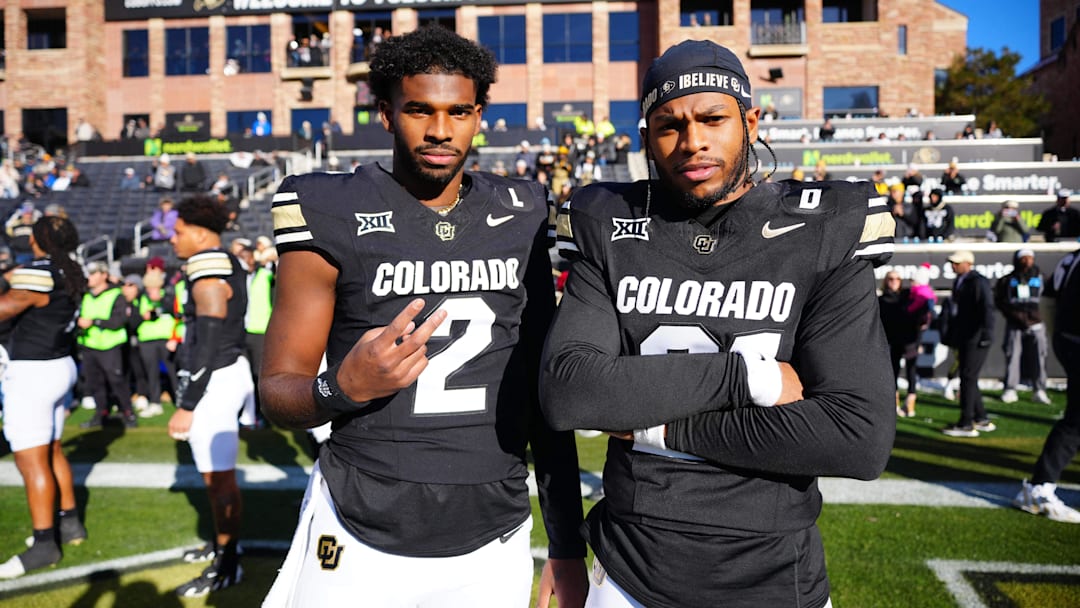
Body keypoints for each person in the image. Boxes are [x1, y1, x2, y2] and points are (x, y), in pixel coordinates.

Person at [540, 39, 896, 607]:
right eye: (669, 126)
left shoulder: (826, 225)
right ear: (646, 138)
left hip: (777, 574)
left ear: (750, 121)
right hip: (631, 569)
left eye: (713, 118)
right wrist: (746, 380)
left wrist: (659, 431)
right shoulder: (606, 220)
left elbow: (858, 437)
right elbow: (570, 392)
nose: (693, 142)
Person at [259, 26, 587, 607]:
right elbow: (278, 392)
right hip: (362, 515)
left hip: (492, 526)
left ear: (479, 114)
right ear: (385, 114)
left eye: (459, 111)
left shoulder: (524, 211)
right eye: (419, 110)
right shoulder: (328, 206)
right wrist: (343, 387)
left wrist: (565, 544)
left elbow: (545, 398)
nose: (440, 130)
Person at [167, 194, 255, 597]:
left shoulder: (209, 263)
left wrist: (188, 403)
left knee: (218, 478)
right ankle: (222, 544)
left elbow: (210, 336)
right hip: (221, 373)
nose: (172, 238)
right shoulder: (219, 260)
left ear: (201, 234)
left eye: (179, 231)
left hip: (217, 376)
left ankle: (228, 561)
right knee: (213, 474)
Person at [0, 216, 89, 579]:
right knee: (51, 449)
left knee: (31, 459)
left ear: (38, 239)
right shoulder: (69, 268)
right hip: (58, 364)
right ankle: (69, 524)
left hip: (33, 371)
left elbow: (5, 310)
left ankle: (44, 544)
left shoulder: (37, 271)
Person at [1013, 247, 1080, 523]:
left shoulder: (1071, 258)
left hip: (1069, 341)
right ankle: (1040, 486)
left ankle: (1040, 484)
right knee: (1076, 420)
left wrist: (1059, 339)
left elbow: (1048, 299)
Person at [940, 250, 997, 437]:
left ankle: (966, 422)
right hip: (966, 336)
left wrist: (986, 334)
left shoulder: (978, 281)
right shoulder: (961, 281)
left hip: (976, 337)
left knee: (967, 378)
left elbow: (987, 308)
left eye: (957, 262)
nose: (953, 266)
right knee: (969, 377)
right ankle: (981, 418)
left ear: (968, 263)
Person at [77, 262, 138, 429]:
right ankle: (101, 413)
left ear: (104, 275)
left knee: (117, 381)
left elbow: (119, 321)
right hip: (90, 345)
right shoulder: (87, 296)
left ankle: (128, 413)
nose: (89, 277)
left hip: (110, 345)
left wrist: (95, 322)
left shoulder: (116, 295)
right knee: (94, 382)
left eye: (93, 273)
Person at [994, 249, 1051, 405]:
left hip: (1037, 323)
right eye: (1023, 258)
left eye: (1030, 258)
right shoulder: (1008, 279)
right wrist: (1012, 315)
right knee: (1012, 355)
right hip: (1015, 322)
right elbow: (999, 299)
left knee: (1039, 356)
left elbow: (1049, 298)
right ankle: (1010, 388)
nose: (1027, 262)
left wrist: (1040, 316)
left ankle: (1039, 389)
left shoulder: (1041, 277)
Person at [879, 269, 933, 417]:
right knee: (892, 372)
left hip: (910, 340)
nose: (894, 281)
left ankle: (910, 403)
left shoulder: (908, 295)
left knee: (911, 370)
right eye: (891, 279)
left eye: (897, 278)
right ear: (886, 281)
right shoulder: (880, 300)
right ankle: (893, 403)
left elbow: (923, 308)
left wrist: (923, 323)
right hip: (891, 341)